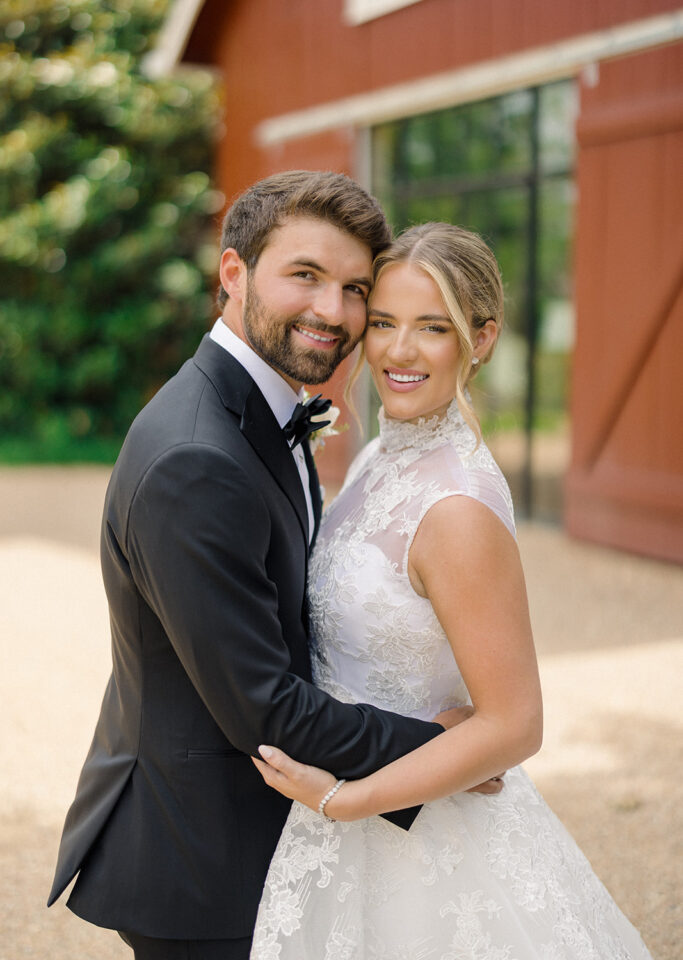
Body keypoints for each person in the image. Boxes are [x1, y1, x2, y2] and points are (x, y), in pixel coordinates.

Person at [48, 174, 504, 960]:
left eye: (353, 288)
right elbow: (263, 709)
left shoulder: (265, 408)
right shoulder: (197, 456)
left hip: (266, 836)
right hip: (203, 861)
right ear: (233, 272)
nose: (332, 310)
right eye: (305, 275)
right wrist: (441, 751)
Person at [250, 222, 654, 959]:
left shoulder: (457, 507)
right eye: (383, 323)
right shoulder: (379, 454)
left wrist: (348, 800)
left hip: (416, 833)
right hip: (339, 817)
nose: (398, 351)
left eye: (431, 328)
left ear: (482, 338)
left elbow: (514, 723)